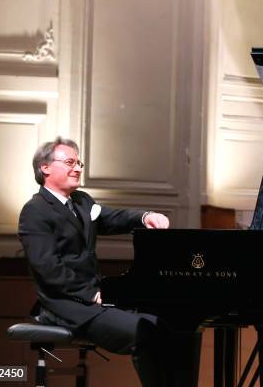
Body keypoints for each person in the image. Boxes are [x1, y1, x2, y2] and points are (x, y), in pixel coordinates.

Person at [18, 137, 170, 386]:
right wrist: (90, 294)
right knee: (145, 332)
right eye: (69, 162)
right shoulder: (35, 211)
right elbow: (48, 269)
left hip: (92, 300)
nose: (77, 168)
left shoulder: (82, 201)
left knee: (165, 327)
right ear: (45, 168)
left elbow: (112, 217)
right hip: (64, 305)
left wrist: (145, 217)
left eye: (79, 162)